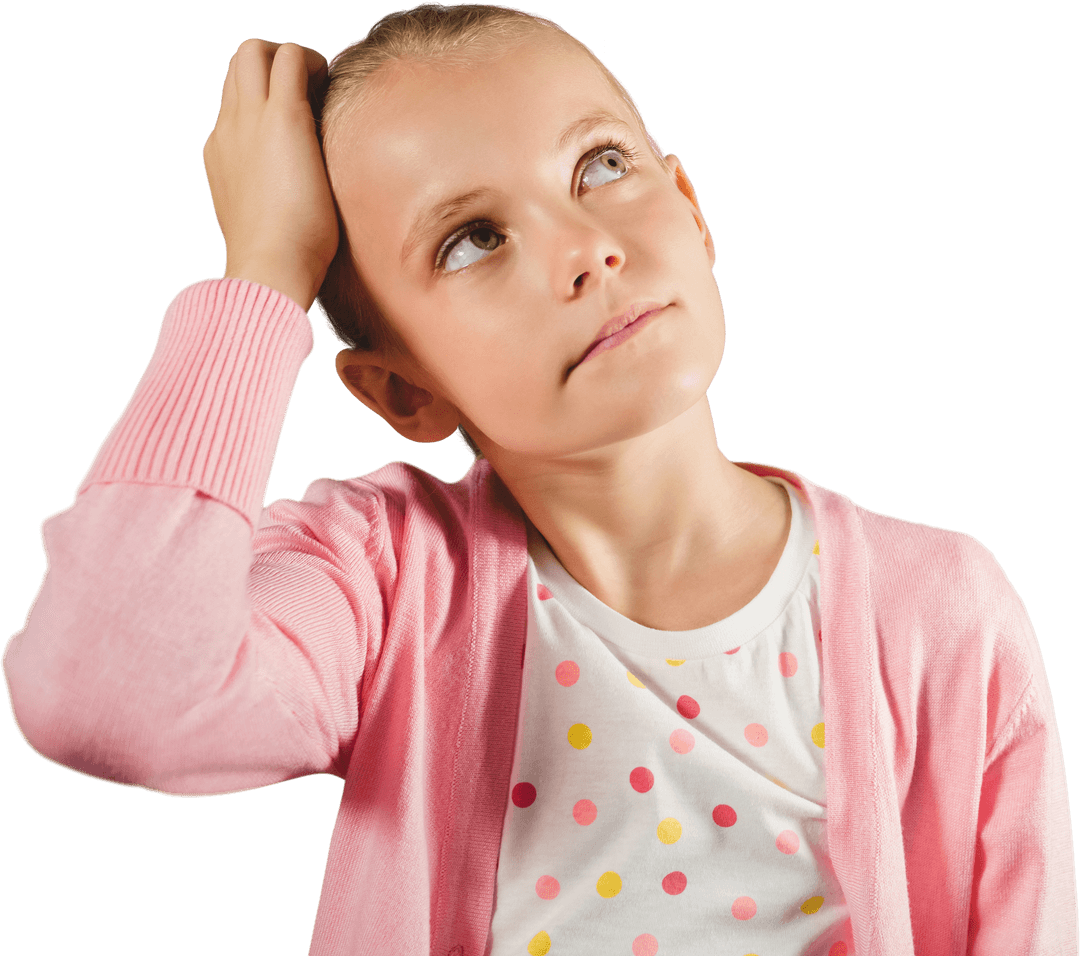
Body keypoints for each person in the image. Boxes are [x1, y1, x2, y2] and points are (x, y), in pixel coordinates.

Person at [3, 3, 1076, 954]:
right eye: (473, 239)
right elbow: (104, 690)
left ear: (692, 209)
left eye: (601, 165)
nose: (584, 250)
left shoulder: (941, 607)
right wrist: (262, 271)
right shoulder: (382, 588)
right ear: (402, 393)